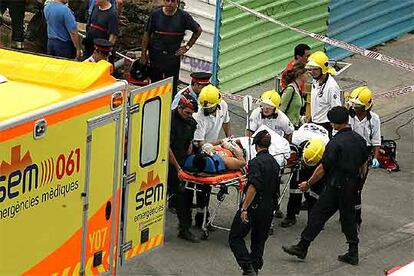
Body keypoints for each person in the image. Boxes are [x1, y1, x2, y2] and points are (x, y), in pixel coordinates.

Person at [282, 106, 369, 266]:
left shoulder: (334, 143)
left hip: (336, 186)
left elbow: (322, 168)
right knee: (348, 218)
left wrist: (307, 184)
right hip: (352, 186)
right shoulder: (359, 139)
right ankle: (353, 253)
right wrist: (359, 184)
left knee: (317, 215)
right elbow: (364, 165)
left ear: (335, 124)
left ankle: (302, 247)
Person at [229, 130, 280, 275]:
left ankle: (248, 267)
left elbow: (253, 187)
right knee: (258, 241)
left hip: (254, 206)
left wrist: (244, 208)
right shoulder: (274, 163)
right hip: (268, 208)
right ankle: (254, 270)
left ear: (256, 145)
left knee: (235, 237)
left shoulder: (256, 162)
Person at [140, 0, 202, 97]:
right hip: (156, 55)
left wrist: (187, 47)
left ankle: (171, 109)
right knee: (155, 85)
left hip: (173, 56)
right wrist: (143, 54)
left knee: (172, 87)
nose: (170, 3)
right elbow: (146, 33)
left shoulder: (183, 17)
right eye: (167, 0)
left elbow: (198, 30)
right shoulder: (155, 15)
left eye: (173, 1)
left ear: (177, 2)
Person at [193, 84, 231, 227]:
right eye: (205, 108)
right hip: (200, 150)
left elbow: (226, 122)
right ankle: (200, 216)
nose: (206, 110)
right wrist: (221, 142)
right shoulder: (199, 116)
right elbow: (200, 144)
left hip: (214, 148)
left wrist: (229, 138)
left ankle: (204, 214)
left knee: (207, 188)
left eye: (209, 108)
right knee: (202, 187)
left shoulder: (223, 106)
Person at [280, 124, 329, 227]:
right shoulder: (295, 139)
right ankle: (291, 216)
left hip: (318, 164)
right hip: (300, 162)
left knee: (316, 193)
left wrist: (309, 182)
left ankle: (313, 220)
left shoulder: (329, 148)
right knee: (295, 189)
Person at [348, 86, 381, 230]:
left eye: (359, 106)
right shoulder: (349, 116)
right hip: (349, 152)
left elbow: (376, 141)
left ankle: (356, 220)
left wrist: (375, 157)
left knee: (357, 188)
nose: (356, 108)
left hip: (364, 155)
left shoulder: (374, 119)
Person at [168, 93, 199, 242]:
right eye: (187, 112)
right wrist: (178, 168)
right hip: (168, 163)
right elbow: (166, 148)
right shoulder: (170, 121)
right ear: (179, 107)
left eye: (191, 113)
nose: (189, 115)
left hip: (182, 161)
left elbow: (189, 142)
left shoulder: (191, 122)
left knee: (184, 196)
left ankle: (184, 228)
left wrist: (189, 158)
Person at [306, 51, 342, 136]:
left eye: (316, 69)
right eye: (311, 69)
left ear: (323, 69)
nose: (312, 72)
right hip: (315, 122)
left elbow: (336, 110)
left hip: (326, 126)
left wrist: (334, 133)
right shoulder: (315, 80)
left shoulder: (331, 87)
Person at [280, 63, 308, 128]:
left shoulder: (298, 88)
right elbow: (282, 109)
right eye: (306, 73)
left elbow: (295, 111)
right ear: (300, 75)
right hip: (287, 127)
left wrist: (302, 118)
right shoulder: (290, 89)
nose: (308, 75)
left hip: (295, 125)